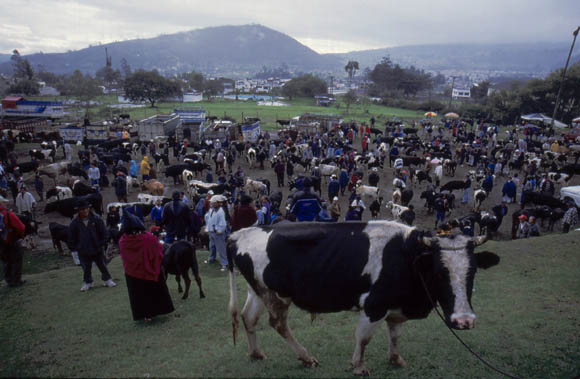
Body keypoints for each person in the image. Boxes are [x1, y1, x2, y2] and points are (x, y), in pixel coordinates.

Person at [118, 212, 173, 322]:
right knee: (152, 291)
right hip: (150, 271)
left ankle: (144, 314)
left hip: (133, 273)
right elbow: (158, 252)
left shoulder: (123, 241)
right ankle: (157, 310)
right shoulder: (148, 238)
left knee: (139, 294)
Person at [68, 200, 116, 292]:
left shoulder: (96, 219)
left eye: (86, 208)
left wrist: (101, 243)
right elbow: (71, 238)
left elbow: (104, 233)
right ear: (78, 211)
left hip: (97, 248)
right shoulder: (74, 223)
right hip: (83, 250)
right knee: (86, 267)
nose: (84, 211)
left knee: (102, 264)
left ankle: (107, 280)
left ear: (89, 208)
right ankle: (87, 282)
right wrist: (76, 248)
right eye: (82, 209)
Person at [0, 196, 26, 287]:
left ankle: (9, 280)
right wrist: (21, 237)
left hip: (1, 243)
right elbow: (21, 227)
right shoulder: (8, 213)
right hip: (12, 240)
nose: (5, 203)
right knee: (17, 260)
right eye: (4, 202)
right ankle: (16, 281)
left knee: (5, 261)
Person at [205, 195, 228, 271]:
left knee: (221, 248)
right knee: (212, 247)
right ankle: (212, 258)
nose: (211, 203)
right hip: (211, 231)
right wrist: (208, 229)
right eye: (211, 202)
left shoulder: (221, 212)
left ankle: (224, 263)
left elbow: (223, 224)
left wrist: (219, 230)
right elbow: (209, 220)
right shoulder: (211, 210)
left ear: (218, 203)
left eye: (213, 202)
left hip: (218, 233)